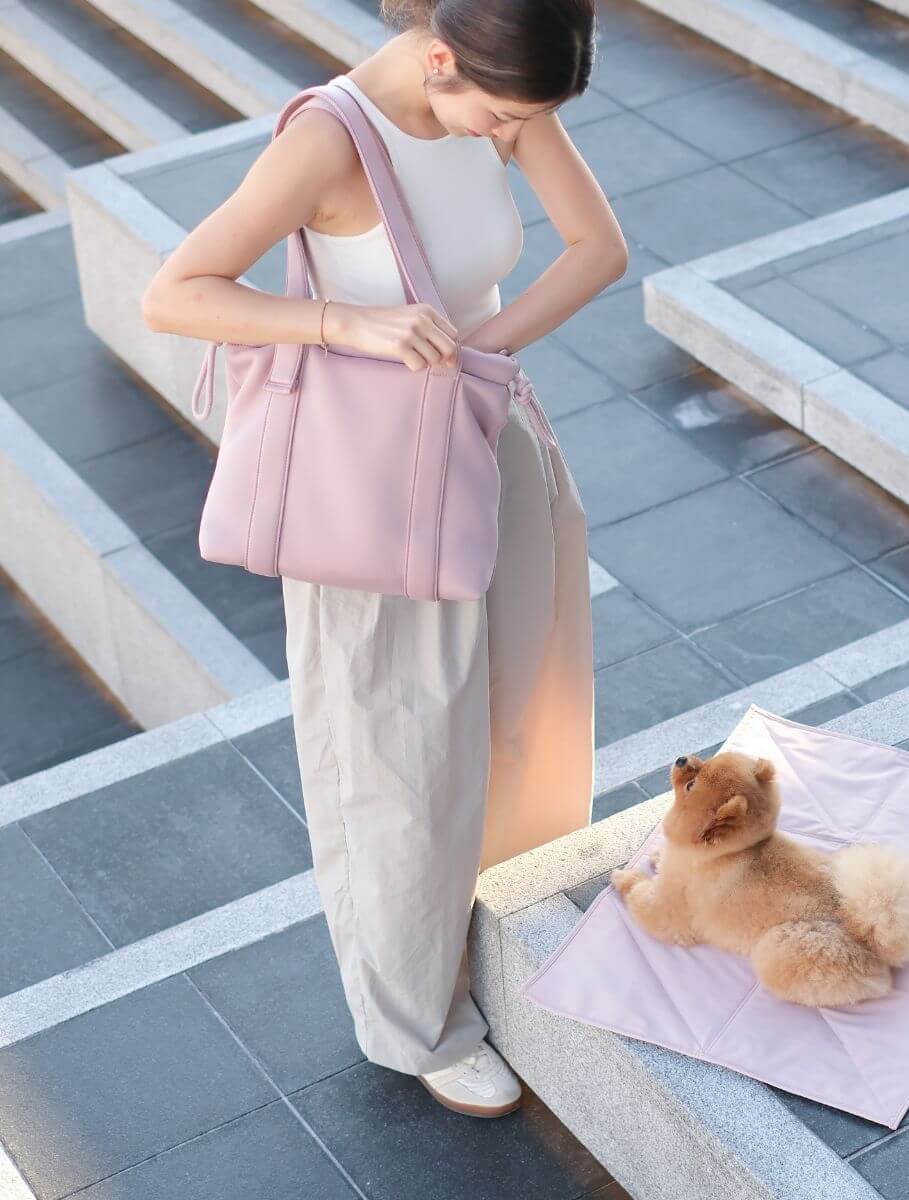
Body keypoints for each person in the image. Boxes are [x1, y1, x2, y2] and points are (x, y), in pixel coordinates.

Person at [141, 0, 623, 1118]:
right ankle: (418, 1023)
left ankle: (516, 920)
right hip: (372, 488)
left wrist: (475, 361)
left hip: (484, 438)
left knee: (530, 704)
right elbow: (174, 295)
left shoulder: (504, 85)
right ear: (439, 58)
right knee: (401, 758)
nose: (505, 134)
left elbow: (599, 248)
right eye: (496, 116)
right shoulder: (329, 140)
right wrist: (349, 327)